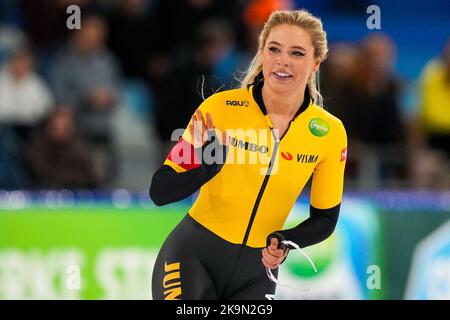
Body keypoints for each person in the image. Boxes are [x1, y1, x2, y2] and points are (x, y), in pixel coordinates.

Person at [149, 9, 347, 300]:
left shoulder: (329, 133)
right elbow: (160, 191)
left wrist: (285, 241)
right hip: (192, 258)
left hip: (257, 275)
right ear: (262, 52)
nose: (282, 61)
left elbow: (326, 219)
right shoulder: (220, 110)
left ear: (316, 62)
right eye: (274, 49)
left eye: (297, 53)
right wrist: (204, 168)